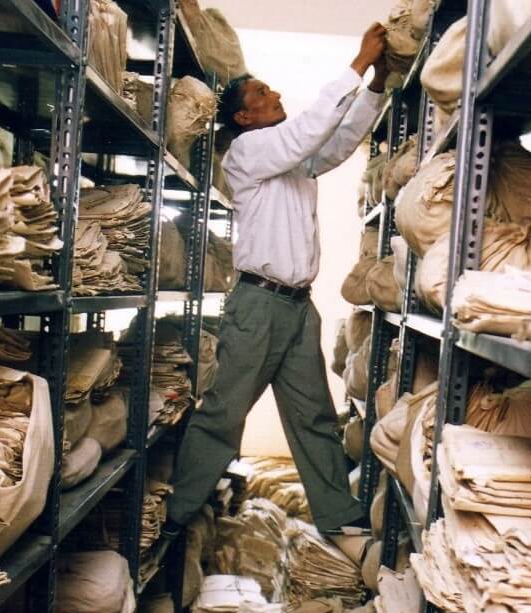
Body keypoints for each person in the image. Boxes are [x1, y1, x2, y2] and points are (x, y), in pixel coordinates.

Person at [164, 23, 389, 540]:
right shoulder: (249, 154)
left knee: (312, 414)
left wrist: (375, 88)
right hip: (259, 306)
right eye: (263, 94)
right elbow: (310, 131)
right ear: (244, 118)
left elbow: (335, 142)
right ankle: (177, 515)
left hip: (294, 307)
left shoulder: (290, 161)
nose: (276, 94)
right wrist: (357, 64)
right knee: (224, 413)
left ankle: (338, 512)